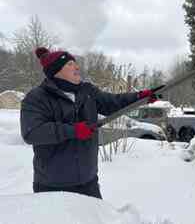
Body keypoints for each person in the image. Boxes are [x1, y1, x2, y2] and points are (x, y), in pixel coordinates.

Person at [20, 47, 157, 199]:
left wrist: (139, 97)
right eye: (70, 64)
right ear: (56, 70)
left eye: (75, 63)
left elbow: (113, 102)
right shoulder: (37, 97)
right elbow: (32, 132)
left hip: (88, 182)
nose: (77, 67)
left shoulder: (87, 91)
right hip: (52, 185)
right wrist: (74, 131)